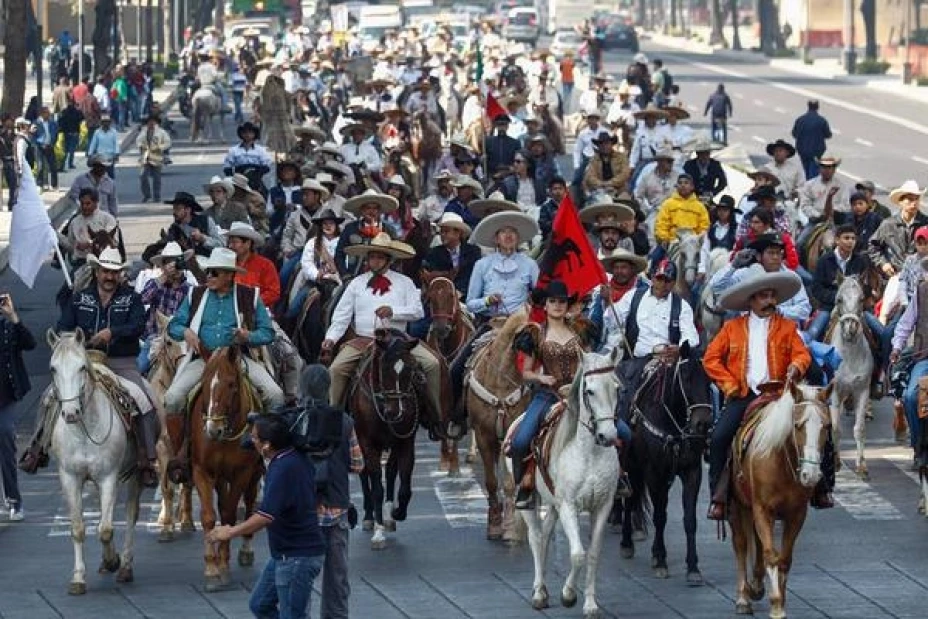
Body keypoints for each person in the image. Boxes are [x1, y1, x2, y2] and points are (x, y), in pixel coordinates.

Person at [704, 269, 823, 521]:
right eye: (763, 296)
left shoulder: (787, 327)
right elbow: (711, 358)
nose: (769, 301)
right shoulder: (732, 328)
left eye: (772, 296)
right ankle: (719, 497)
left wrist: (797, 366)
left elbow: (802, 354)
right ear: (751, 300)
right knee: (718, 438)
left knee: (819, 426)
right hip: (744, 394)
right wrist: (729, 385)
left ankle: (821, 487)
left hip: (781, 394)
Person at [42, 248, 160, 486]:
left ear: (120, 274)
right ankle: (39, 448)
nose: (110, 276)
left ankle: (147, 458)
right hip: (83, 361)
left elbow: (139, 325)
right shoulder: (79, 298)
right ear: (97, 272)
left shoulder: (131, 297)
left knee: (143, 399)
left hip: (121, 362)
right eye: (106, 271)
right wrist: (77, 339)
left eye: (115, 272)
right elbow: (63, 326)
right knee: (48, 397)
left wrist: (112, 332)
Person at [321, 234, 444, 432]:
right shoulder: (356, 283)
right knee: (336, 369)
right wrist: (330, 338)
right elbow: (341, 316)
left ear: (389, 260)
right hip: (364, 340)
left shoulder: (405, 282)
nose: (374, 261)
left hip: (398, 340)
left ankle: (435, 416)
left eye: (379, 257)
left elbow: (418, 311)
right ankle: (335, 421)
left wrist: (393, 312)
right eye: (371, 257)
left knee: (432, 363)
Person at [207, 413, 325, 619]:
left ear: (267, 446)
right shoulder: (292, 456)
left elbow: (265, 516)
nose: (251, 441)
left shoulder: (283, 468)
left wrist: (230, 532)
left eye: (254, 438)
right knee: (260, 604)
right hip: (285, 553)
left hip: (296, 557)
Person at [164, 248, 284, 417]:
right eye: (208, 272)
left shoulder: (250, 296)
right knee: (172, 398)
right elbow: (173, 326)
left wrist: (248, 336)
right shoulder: (195, 294)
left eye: (214, 273)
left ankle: (269, 441)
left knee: (275, 395)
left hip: (237, 359)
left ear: (229, 275)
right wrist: (185, 332)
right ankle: (179, 443)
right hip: (204, 360)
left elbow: (268, 333)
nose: (209, 276)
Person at [509, 281, 598, 509]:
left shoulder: (580, 329)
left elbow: (590, 360)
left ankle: (618, 477)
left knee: (621, 431)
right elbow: (526, 372)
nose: (558, 305)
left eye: (562, 301)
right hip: (549, 394)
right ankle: (524, 486)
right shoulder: (535, 333)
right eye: (553, 301)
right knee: (520, 441)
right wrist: (541, 378)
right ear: (545, 305)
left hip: (580, 394)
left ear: (568, 305)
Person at [296, 365, 363, 619]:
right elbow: (358, 465)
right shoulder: (344, 422)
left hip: (303, 512)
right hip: (336, 506)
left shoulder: (294, 420)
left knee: (299, 576)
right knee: (337, 576)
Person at [607, 259, 700, 432]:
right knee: (624, 395)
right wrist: (607, 302)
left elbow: (692, 337)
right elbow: (611, 319)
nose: (663, 284)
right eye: (660, 279)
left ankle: (696, 433)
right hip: (638, 359)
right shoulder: (634, 296)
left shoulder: (682, 305)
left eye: (668, 280)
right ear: (652, 278)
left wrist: (680, 348)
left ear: (673, 282)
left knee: (698, 390)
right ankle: (620, 431)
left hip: (669, 361)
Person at [711, 233, 812, 326]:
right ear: (759, 256)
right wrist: (733, 265)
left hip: (785, 331)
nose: (776, 257)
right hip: (751, 330)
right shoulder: (746, 274)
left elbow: (805, 309)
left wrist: (778, 311)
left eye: (778, 253)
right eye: (771, 253)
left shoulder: (791, 277)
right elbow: (716, 287)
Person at [0, 292, 36, 521]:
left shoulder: (7, 325)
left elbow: (30, 343)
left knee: (5, 437)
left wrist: (13, 316)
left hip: (5, 397)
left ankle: (14, 500)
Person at [806, 224, 871, 340]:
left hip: (855, 309)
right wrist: (836, 297)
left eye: (853, 238)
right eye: (846, 238)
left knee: (881, 332)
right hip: (829, 307)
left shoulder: (860, 261)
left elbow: (866, 287)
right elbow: (816, 288)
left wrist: (857, 298)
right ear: (837, 240)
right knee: (812, 335)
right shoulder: (824, 260)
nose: (850, 242)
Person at [138, 242, 195, 374]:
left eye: (176, 262)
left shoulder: (189, 290)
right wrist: (164, 276)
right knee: (139, 368)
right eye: (168, 262)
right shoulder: (155, 283)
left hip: (179, 341)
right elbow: (141, 300)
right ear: (162, 266)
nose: (173, 266)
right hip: (154, 338)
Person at [889, 271, 928, 458]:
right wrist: (897, 348)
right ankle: (918, 446)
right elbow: (905, 325)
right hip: (924, 357)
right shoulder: (921, 293)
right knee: (912, 397)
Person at [868, 180, 928, 280]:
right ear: (900, 202)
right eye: (910, 199)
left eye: (916, 199)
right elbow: (873, 246)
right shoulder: (889, 224)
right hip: (894, 275)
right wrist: (883, 264)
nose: (914, 203)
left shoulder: (925, 223)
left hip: (921, 277)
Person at [335, 189, 399, 276]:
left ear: (379, 211)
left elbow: (396, 256)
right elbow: (339, 254)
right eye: (368, 208)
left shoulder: (389, 230)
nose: (371, 211)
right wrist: (345, 275)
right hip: (355, 277)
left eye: (375, 208)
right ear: (362, 210)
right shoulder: (350, 228)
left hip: (383, 278)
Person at [58, 187, 119, 267]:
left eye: (88, 203)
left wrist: (90, 244)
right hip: (82, 262)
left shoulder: (107, 219)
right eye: (82, 204)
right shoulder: (75, 222)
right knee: (72, 279)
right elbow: (70, 244)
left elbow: (113, 240)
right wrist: (57, 235)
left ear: (96, 203)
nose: (84, 207)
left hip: (105, 262)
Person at [791, 100, 832, 179]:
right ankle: (811, 186)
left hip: (802, 150)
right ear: (817, 107)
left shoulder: (800, 120)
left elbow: (794, 134)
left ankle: (808, 184)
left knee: (806, 169)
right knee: (814, 172)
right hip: (817, 151)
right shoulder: (822, 120)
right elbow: (828, 134)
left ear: (808, 106)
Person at [583, 131, 630, 198]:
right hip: (599, 190)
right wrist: (602, 185)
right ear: (598, 146)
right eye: (601, 144)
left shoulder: (621, 157)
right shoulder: (593, 160)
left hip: (619, 190)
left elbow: (625, 174)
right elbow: (590, 176)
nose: (604, 146)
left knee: (625, 198)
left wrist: (611, 183)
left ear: (611, 144)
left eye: (607, 143)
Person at [137, 114, 172, 203]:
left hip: (157, 156)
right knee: (143, 176)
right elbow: (138, 141)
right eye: (149, 122)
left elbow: (168, 142)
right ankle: (147, 195)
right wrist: (141, 146)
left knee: (157, 178)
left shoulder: (161, 132)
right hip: (146, 156)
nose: (151, 123)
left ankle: (157, 196)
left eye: (153, 121)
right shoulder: (143, 131)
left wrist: (160, 147)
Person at [33, 107, 59, 190]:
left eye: (48, 113)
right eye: (46, 113)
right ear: (42, 114)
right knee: (40, 166)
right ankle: (40, 184)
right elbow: (33, 136)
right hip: (40, 147)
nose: (48, 115)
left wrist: (53, 143)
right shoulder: (36, 123)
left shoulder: (53, 123)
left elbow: (56, 133)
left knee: (53, 166)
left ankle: (54, 185)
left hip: (49, 146)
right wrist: (37, 144)